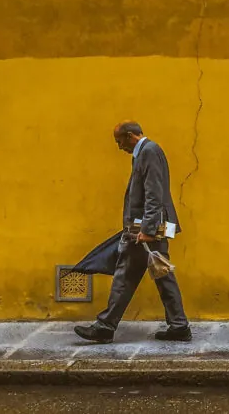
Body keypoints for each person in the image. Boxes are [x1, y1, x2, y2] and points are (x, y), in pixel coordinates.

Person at [74, 121, 191, 343]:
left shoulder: (148, 151)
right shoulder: (146, 152)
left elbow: (154, 192)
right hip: (149, 226)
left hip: (146, 228)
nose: (119, 147)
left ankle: (106, 326)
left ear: (130, 136)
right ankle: (178, 325)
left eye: (119, 142)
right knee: (157, 275)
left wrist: (147, 229)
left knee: (129, 274)